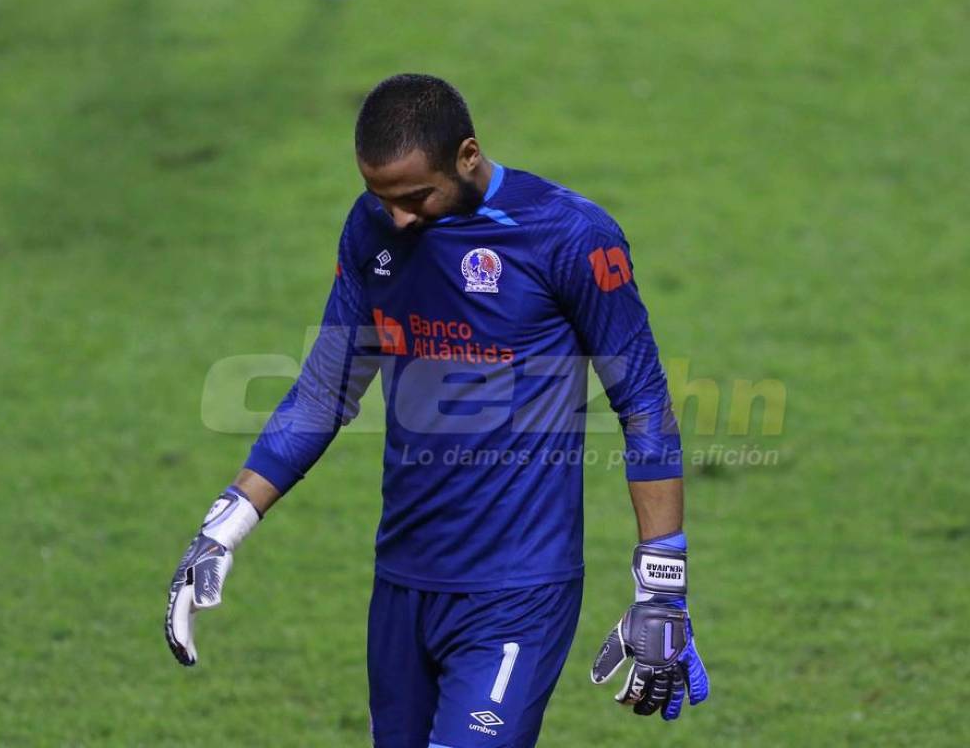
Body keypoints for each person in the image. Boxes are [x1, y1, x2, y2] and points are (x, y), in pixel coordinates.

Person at [164, 74, 709, 747]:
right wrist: (225, 526)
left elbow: (645, 403)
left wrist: (662, 587)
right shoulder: (373, 231)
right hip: (403, 584)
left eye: (415, 196)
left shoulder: (567, 236)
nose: (398, 217)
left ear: (468, 155)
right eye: (380, 197)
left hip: (517, 592)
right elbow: (325, 391)